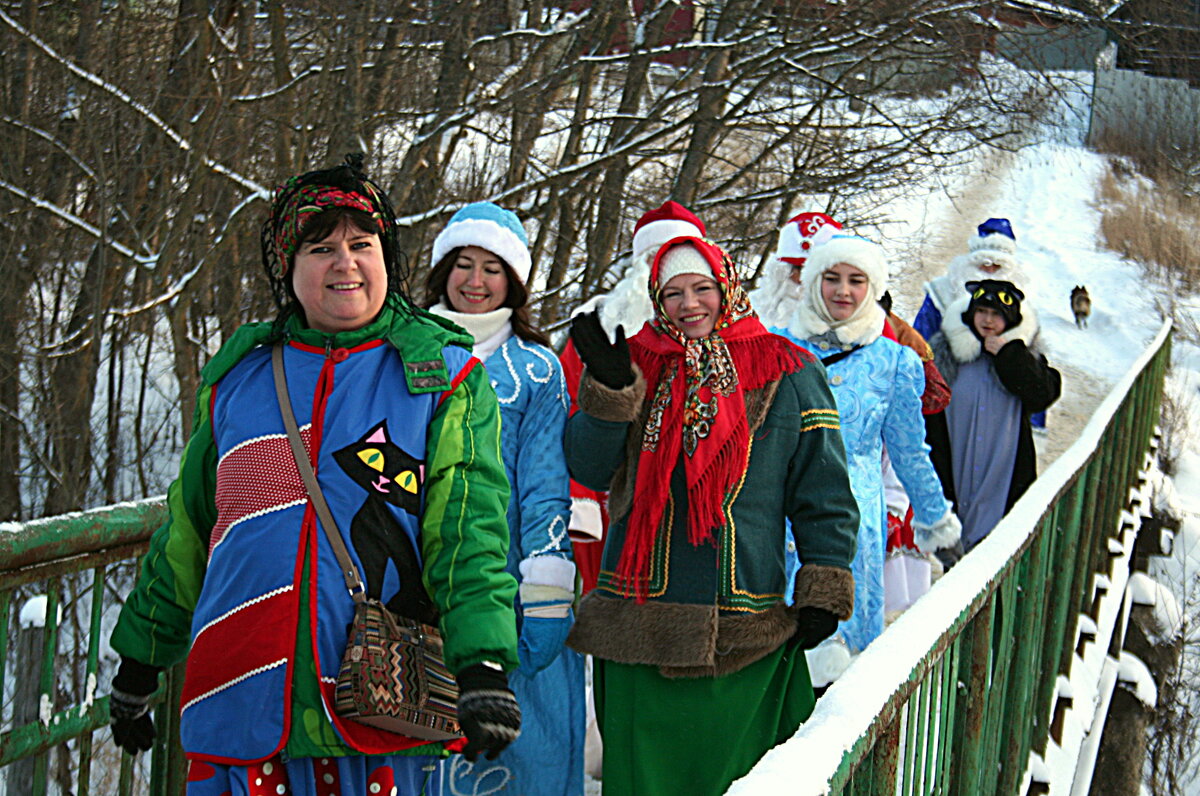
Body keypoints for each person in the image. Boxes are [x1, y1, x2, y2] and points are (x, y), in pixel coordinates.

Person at [106, 156, 521, 795]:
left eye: (361, 244)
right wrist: (139, 661)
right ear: (289, 269)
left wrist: (482, 660)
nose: (345, 263)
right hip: (240, 702)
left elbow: (468, 534)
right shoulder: (238, 383)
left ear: (388, 256)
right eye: (321, 247)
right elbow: (189, 533)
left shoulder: (442, 378)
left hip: (369, 710)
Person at [564, 235, 860, 795]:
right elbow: (588, 466)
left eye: (701, 288)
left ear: (727, 287)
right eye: (672, 292)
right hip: (637, 627)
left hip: (742, 625)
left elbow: (824, 494)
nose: (689, 303)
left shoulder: (788, 368)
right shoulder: (637, 364)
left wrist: (823, 585)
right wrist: (608, 390)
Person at [424, 202, 585, 796]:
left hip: (510, 579)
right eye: (463, 265)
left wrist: (545, 594)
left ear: (513, 282)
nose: (475, 281)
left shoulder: (538, 368)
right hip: (424, 579)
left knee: (527, 756)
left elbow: (547, 486)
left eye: (492, 269)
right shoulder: (407, 351)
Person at [773, 233, 960, 686]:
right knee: (778, 646)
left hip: (852, 524)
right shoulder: (776, 346)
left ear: (872, 288)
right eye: (832, 278)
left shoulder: (895, 362)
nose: (843, 290)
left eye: (856, 280)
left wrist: (935, 518)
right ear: (813, 281)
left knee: (842, 657)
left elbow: (910, 450)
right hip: (779, 515)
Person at [559, 200, 708, 594]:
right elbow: (572, 414)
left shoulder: (726, 341)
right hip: (610, 503)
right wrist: (583, 502)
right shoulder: (601, 329)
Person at [926, 279, 1062, 552]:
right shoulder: (948, 354)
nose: (988, 321)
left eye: (997, 314)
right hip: (956, 465)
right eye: (982, 312)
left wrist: (1009, 354)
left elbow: (1043, 393)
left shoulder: (1022, 357)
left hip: (1002, 470)